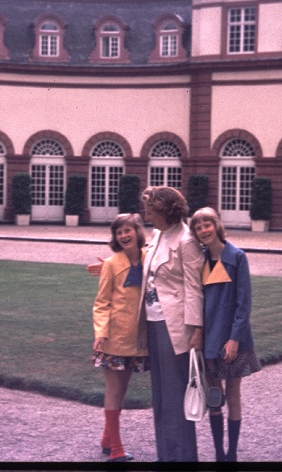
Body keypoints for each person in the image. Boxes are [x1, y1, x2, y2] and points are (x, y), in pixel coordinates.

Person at [90, 186, 204, 461]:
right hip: (152, 323)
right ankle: (167, 453)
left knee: (175, 395)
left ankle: (181, 456)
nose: (147, 213)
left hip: (174, 326)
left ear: (165, 210)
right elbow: (143, 265)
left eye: (151, 209)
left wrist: (197, 329)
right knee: (161, 396)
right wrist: (110, 265)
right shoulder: (158, 234)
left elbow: (194, 288)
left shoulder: (186, 240)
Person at [189, 207, 262, 462]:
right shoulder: (199, 260)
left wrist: (234, 339)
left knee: (233, 394)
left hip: (234, 339)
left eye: (207, 225)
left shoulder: (237, 258)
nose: (203, 231)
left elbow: (243, 304)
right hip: (209, 338)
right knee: (213, 395)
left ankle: (231, 453)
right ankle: (219, 452)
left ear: (217, 226)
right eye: (198, 228)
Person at [92, 213, 149, 462]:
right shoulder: (112, 264)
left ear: (137, 231)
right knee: (114, 391)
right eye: (119, 232)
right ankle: (116, 449)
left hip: (138, 340)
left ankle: (107, 439)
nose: (124, 235)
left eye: (128, 230)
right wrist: (101, 332)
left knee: (123, 390)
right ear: (115, 238)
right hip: (113, 339)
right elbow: (102, 303)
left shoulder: (151, 259)